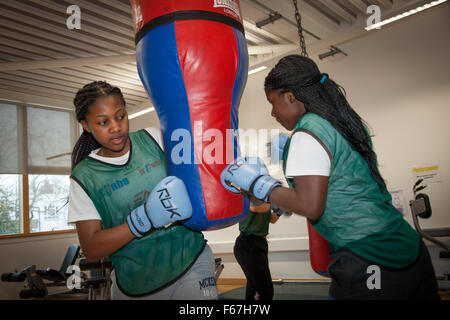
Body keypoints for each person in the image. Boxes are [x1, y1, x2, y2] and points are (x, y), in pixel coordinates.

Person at [221, 55, 440, 300]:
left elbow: (310, 205)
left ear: (290, 96)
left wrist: (256, 184)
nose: (273, 113)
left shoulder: (307, 131)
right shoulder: (342, 123)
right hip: (409, 249)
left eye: (273, 103)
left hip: (368, 257)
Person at [68, 81, 218, 300]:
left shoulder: (153, 138)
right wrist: (143, 220)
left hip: (191, 261)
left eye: (120, 116)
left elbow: (198, 173)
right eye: (103, 122)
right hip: (136, 284)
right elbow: (91, 247)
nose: (116, 127)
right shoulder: (84, 177)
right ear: (87, 125)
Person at [233, 202, 281, 301]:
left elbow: (272, 219)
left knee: (254, 287)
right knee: (264, 289)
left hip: (260, 243)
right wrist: (280, 202)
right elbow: (256, 208)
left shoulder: (265, 199)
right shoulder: (249, 193)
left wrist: (280, 211)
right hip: (247, 244)